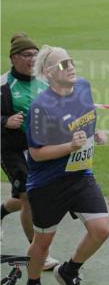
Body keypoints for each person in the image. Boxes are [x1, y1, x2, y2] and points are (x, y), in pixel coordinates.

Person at [22, 46, 109, 285]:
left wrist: (97, 133)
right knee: (43, 242)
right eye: (63, 64)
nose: (70, 67)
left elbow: (86, 119)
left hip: (81, 175)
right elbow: (37, 154)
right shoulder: (40, 107)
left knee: (101, 229)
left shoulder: (83, 87)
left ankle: (69, 270)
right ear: (49, 73)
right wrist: (69, 146)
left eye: (71, 61)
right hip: (48, 184)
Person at [1, 33, 59, 271]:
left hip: (38, 150)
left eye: (35, 55)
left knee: (28, 196)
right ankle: (37, 254)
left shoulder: (43, 82)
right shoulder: (3, 85)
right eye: (27, 55)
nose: (32, 59)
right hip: (11, 150)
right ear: (14, 58)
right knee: (28, 197)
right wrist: (4, 121)